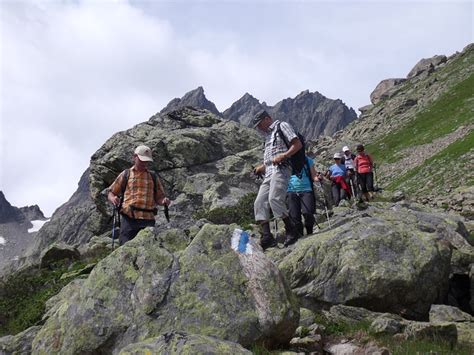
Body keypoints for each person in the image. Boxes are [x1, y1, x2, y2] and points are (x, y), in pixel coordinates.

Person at [252, 110, 302, 249]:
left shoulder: (282, 126)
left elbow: (297, 145)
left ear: (267, 119)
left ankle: (291, 230)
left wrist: (284, 155)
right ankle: (267, 237)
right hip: (269, 172)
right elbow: (269, 159)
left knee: (274, 198)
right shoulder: (267, 136)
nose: (258, 127)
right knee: (259, 202)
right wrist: (261, 167)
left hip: (282, 169)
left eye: (259, 123)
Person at [108, 145, 170, 245]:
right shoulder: (126, 174)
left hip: (148, 219)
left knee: (149, 249)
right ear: (134, 157)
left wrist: (163, 201)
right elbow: (111, 192)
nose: (144, 163)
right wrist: (113, 198)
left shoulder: (153, 176)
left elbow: (159, 197)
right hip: (129, 219)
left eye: (146, 161)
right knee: (126, 250)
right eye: (142, 160)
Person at [287, 155, 320, 239]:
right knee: (294, 216)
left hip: (306, 189)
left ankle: (309, 231)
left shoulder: (308, 160)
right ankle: (300, 235)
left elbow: (313, 175)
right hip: (291, 191)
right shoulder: (287, 160)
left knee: (308, 212)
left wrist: (318, 178)